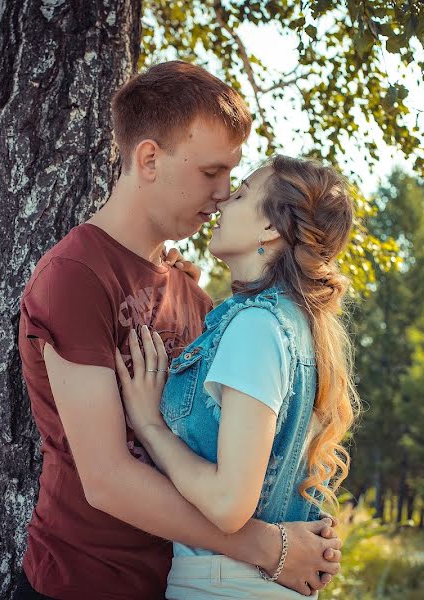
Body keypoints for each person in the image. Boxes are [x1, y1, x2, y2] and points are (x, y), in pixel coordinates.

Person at [15, 61, 342, 599]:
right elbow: (108, 480)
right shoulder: (76, 276)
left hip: (181, 584)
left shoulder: (197, 299)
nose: (222, 193)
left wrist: (306, 532)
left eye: (232, 177)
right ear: (149, 159)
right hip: (86, 583)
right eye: (211, 173)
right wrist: (271, 549)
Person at [117, 155, 360, 598]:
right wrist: (177, 294)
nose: (224, 199)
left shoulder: (257, 328)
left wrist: (150, 427)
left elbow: (230, 505)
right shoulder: (283, 325)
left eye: (243, 193)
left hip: (224, 586)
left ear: (270, 228)